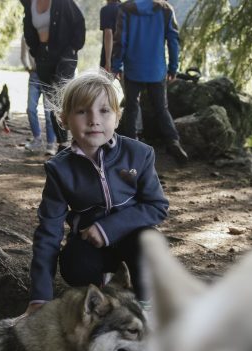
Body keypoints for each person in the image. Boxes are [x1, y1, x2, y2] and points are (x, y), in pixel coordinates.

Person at [26, 71, 169, 315]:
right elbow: (49, 232)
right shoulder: (59, 169)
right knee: (74, 265)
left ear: (118, 116)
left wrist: (108, 229)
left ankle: (146, 306)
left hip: (132, 239)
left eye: (104, 111)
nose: (94, 120)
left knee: (150, 245)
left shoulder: (139, 154)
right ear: (63, 119)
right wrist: (40, 295)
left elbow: (157, 206)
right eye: (82, 111)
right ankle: (104, 293)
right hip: (88, 244)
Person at [112, 0, 189, 164]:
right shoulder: (165, 9)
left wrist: (116, 65)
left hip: (133, 68)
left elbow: (120, 40)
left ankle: (132, 148)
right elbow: (173, 40)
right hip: (157, 69)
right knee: (161, 108)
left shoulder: (125, 9)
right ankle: (173, 141)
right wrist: (173, 67)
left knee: (132, 107)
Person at [21, 0, 86, 154]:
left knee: (60, 97)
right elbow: (28, 30)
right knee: (51, 105)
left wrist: (73, 49)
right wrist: (36, 52)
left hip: (65, 55)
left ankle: (79, 140)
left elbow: (79, 22)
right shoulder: (30, 4)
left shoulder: (62, 2)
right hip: (43, 56)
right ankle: (63, 144)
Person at [21, 37, 57, 153]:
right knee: (30, 109)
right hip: (34, 75)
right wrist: (28, 67)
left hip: (49, 76)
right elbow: (23, 56)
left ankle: (51, 144)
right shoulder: (26, 36)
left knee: (48, 112)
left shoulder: (51, 31)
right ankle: (37, 139)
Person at [99, 0, 121, 72]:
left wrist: (108, 61)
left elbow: (108, 33)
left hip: (111, 55)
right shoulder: (125, 9)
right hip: (125, 55)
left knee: (104, 82)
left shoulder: (106, 10)